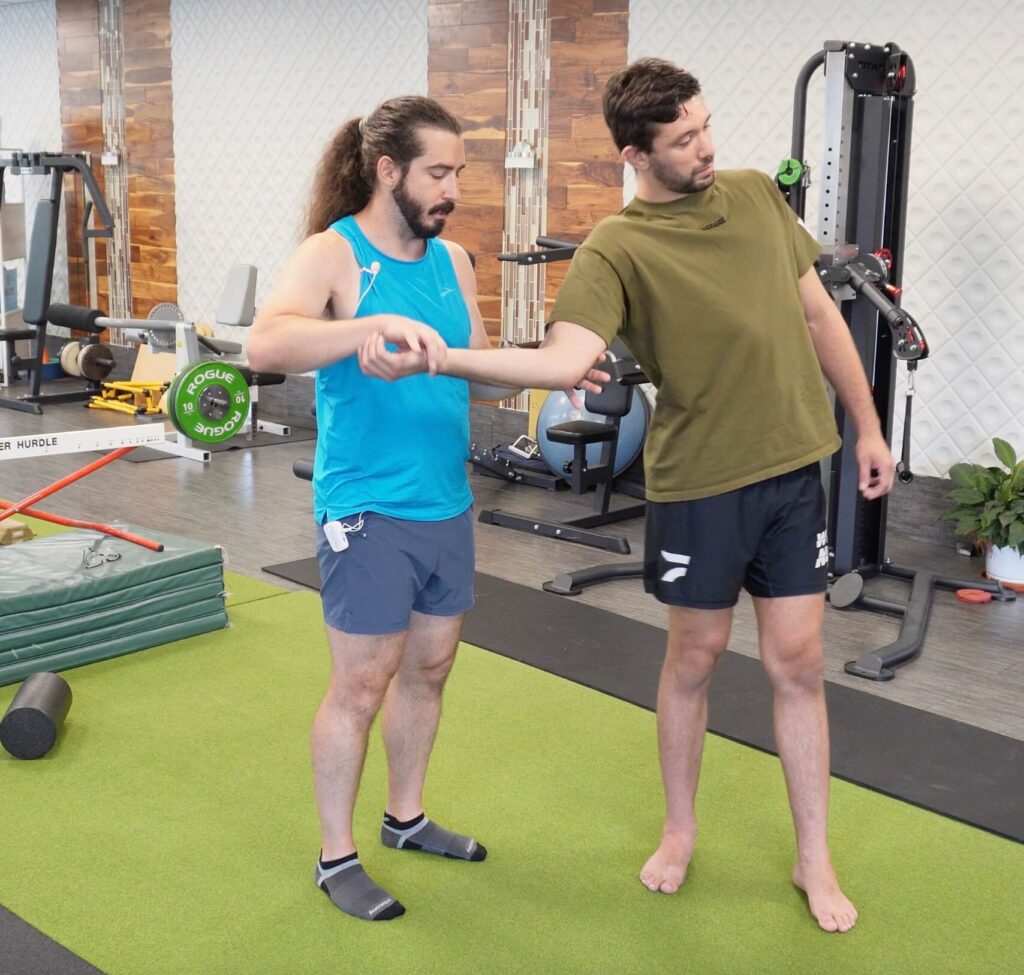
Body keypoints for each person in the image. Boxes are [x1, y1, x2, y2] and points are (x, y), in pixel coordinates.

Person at [360, 59, 895, 934]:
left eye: (706, 126)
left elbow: (818, 315)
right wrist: (443, 358)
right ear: (635, 154)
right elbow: (564, 361)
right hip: (699, 487)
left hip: (796, 471)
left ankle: (813, 853)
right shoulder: (619, 246)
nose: (707, 147)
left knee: (798, 662)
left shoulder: (760, 197)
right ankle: (679, 828)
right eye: (684, 140)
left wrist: (868, 429)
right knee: (696, 659)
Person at [247, 95, 606, 923]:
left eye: (458, 174)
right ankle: (337, 857)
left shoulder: (454, 265)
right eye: (439, 172)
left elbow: (472, 372)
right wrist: (358, 329)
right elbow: (265, 344)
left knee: (431, 667)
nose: (453, 190)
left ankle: (404, 817)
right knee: (361, 683)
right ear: (388, 170)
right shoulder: (334, 254)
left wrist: (552, 368)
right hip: (366, 505)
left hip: (445, 502)